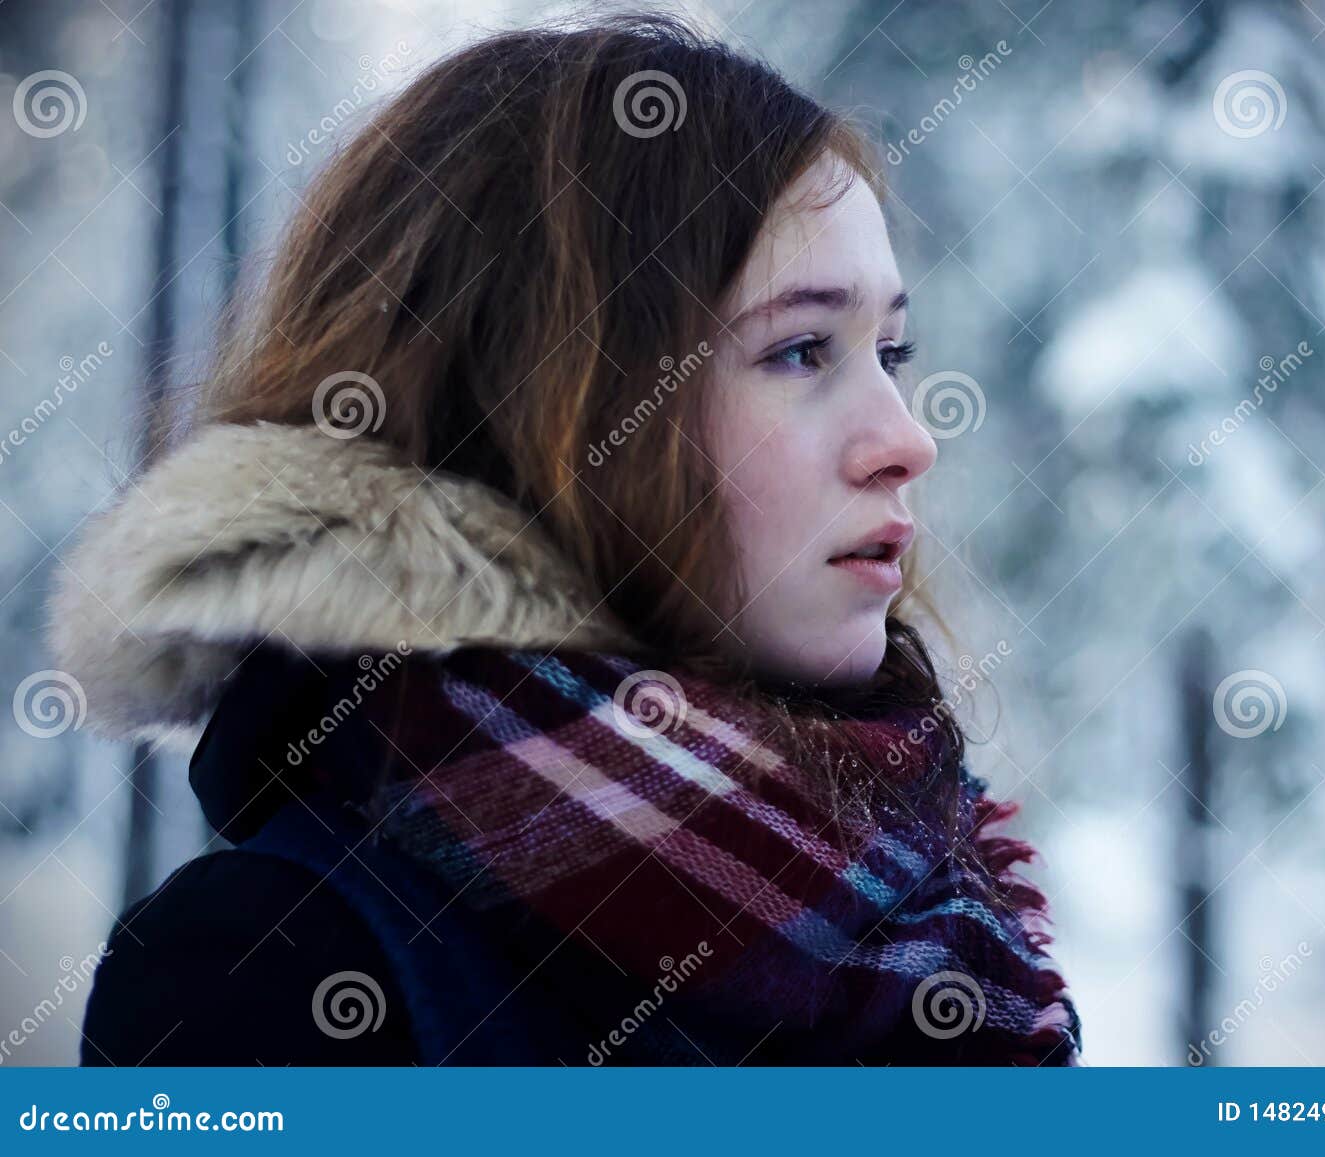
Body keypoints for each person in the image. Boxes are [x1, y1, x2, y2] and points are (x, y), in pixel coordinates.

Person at [48, 11, 1083, 1067]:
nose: (906, 440)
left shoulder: (930, 926)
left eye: (892, 352)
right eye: (802, 349)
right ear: (549, 405)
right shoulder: (274, 966)